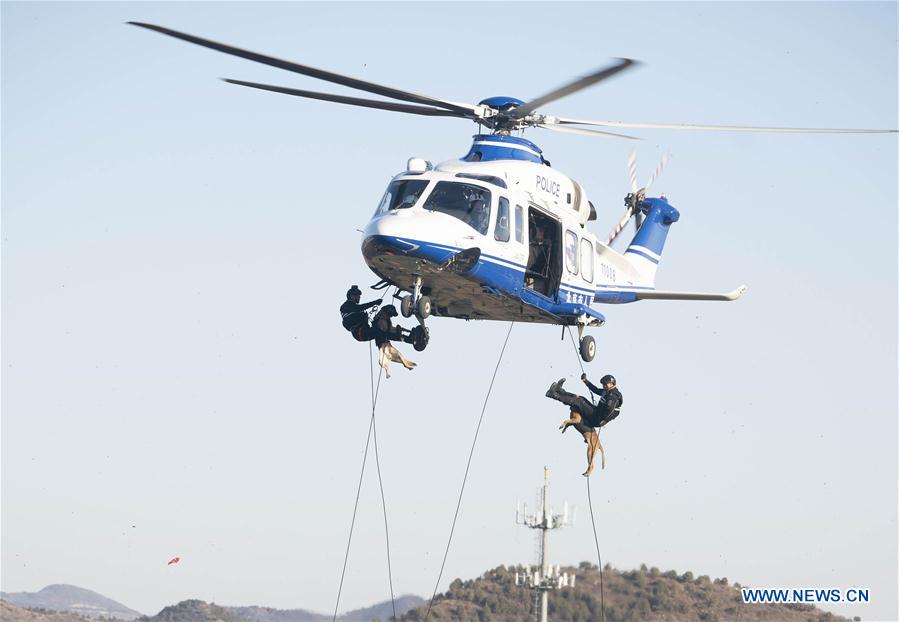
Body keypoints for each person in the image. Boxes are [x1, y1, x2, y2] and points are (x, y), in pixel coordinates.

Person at [545, 374, 623, 477]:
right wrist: (585, 381)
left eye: (605, 384)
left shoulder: (614, 396)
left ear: (611, 384)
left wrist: (603, 420)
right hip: (596, 413)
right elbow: (595, 390)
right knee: (580, 398)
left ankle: (553, 395)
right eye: (603, 385)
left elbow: (610, 410)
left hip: (598, 418)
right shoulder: (607, 391)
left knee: (580, 402)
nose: (603, 386)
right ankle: (559, 391)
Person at [371, 305, 416, 378]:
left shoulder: (384, 318)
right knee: (399, 354)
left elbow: (390, 329)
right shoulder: (381, 320)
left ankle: (403, 363)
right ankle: (405, 363)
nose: (391, 316)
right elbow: (387, 330)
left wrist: (405, 330)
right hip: (384, 345)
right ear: (388, 312)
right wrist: (399, 330)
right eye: (391, 314)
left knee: (399, 354)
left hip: (385, 343)